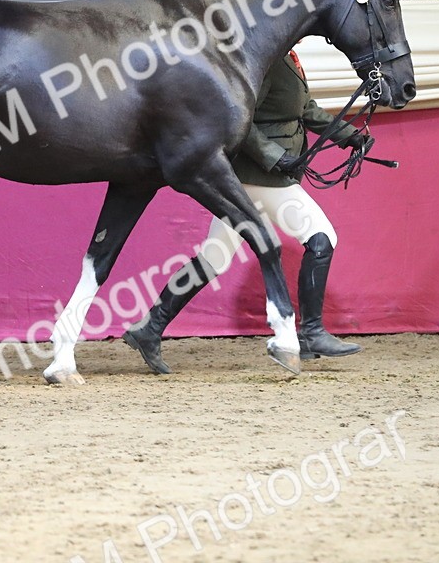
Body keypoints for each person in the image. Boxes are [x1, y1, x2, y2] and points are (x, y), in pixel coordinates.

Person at [123, 49, 372, 374]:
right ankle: (311, 332)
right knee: (321, 237)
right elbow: (242, 117)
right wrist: (273, 155)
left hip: (246, 179)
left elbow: (306, 109)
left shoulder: (287, 55)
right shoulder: (268, 60)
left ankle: (149, 328)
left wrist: (351, 136)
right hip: (262, 176)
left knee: (214, 258)